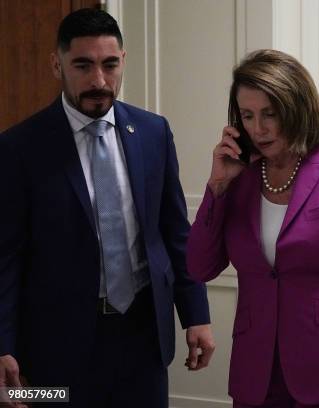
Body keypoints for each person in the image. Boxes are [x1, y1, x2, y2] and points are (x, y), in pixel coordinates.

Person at [0, 8, 215, 408]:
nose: (99, 81)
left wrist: (196, 314)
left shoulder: (153, 131)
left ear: (123, 62)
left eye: (109, 64)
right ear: (56, 64)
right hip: (52, 352)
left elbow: (174, 232)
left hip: (143, 337)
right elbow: (6, 257)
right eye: (82, 65)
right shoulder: (18, 147)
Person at [187, 49, 319, 408]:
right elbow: (200, 267)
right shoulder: (240, 177)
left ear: (296, 108)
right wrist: (217, 188)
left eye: (270, 114)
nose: (258, 128)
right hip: (257, 372)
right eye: (248, 116)